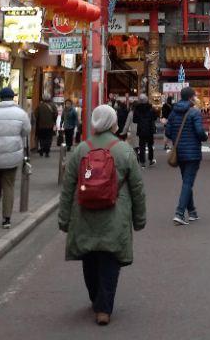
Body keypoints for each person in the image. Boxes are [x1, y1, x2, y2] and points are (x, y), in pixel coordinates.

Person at [58, 104, 147, 326]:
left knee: (89, 257)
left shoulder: (81, 149)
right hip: (115, 214)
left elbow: (68, 187)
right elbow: (137, 188)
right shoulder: (124, 150)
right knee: (109, 259)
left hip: (84, 212)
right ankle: (103, 308)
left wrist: (64, 218)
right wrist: (139, 219)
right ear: (114, 123)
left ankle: (94, 298)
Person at [0, 86, 30, 229]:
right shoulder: (21, 114)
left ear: (0, 98)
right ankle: (6, 219)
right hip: (12, 155)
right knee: (8, 185)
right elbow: (26, 131)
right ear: (12, 97)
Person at [164, 85, 207, 224]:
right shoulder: (194, 112)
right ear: (190, 97)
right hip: (193, 152)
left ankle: (192, 212)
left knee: (186, 182)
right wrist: (204, 137)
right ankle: (180, 212)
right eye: (194, 95)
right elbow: (200, 132)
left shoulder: (173, 112)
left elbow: (168, 132)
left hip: (179, 152)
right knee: (188, 182)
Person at [131, 95, 157, 167]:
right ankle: (151, 160)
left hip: (141, 129)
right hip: (150, 129)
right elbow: (155, 118)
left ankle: (142, 162)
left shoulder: (137, 109)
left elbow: (134, 120)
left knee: (141, 146)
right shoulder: (151, 108)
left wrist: (140, 120)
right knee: (150, 145)